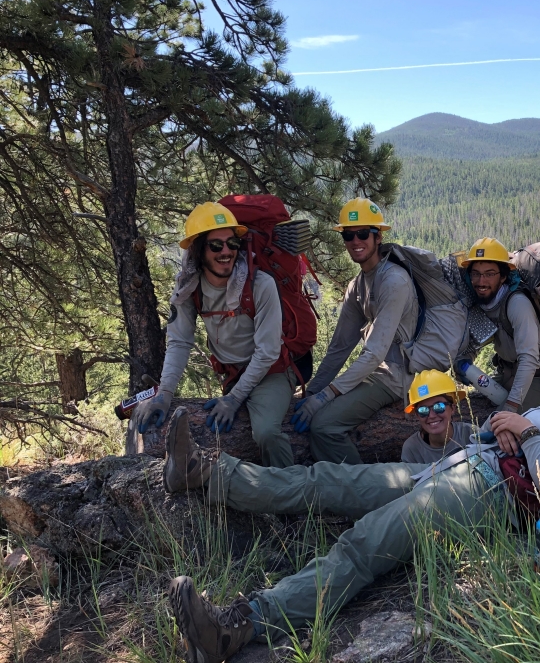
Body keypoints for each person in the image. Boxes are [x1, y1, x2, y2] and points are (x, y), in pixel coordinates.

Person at [162, 352, 540, 663]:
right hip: (453, 468)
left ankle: (235, 628)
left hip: (483, 494)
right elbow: (496, 436)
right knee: (327, 479)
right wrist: (502, 431)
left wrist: (525, 434)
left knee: (364, 542)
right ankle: (207, 476)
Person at [132, 202, 299, 468]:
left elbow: (268, 352)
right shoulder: (189, 286)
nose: (226, 252)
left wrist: (234, 398)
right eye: (216, 245)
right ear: (199, 250)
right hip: (234, 375)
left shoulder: (260, 283)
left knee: (266, 432)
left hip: (273, 373)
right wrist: (164, 393)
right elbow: (179, 341)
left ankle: (295, 498)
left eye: (232, 244)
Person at [290, 198, 419, 464]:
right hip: (377, 370)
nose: (355, 241)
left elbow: (374, 354)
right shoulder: (358, 285)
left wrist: (326, 396)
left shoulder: (394, 281)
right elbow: (340, 346)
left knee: (325, 426)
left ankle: (362, 491)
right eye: (349, 235)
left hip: (396, 376)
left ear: (378, 236)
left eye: (363, 233)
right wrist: (313, 391)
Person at [459, 237, 540, 412]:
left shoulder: (516, 303)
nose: (481, 281)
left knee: (499, 425)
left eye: (489, 274)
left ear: (503, 276)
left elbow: (529, 359)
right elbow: (477, 340)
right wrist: (465, 361)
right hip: (506, 375)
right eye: (476, 274)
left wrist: (511, 405)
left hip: (536, 379)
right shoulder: (484, 302)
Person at [400, 369, 474, 464]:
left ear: (452, 408)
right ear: (417, 415)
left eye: (439, 407)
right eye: (423, 410)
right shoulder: (412, 450)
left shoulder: (470, 434)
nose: (431, 416)